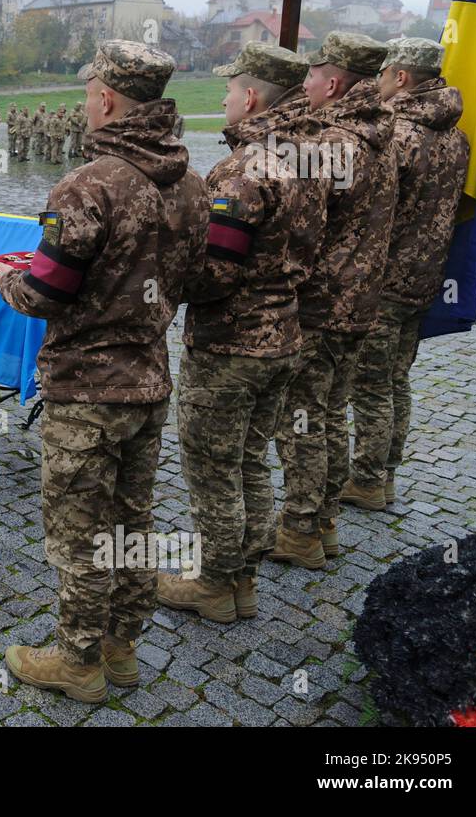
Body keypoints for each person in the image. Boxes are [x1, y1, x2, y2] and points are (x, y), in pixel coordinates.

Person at [0, 41, 207, 702]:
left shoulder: (88, 186)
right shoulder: (193, 184)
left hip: (88, 390)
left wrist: (8, 280)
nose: (87, 102)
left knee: (80, 532)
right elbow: (196, 278)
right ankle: (122, 646)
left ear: (108, 99)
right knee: (131, 520)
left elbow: (47, 293)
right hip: (148, 381)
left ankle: (78, 659)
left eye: (90, 92)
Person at [157, 43, 314, 623]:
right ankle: (242, 581)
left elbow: (217, 273)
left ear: (250, 98)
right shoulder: (304, 159)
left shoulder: (242, 170)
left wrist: (165, 276)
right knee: (251, 462)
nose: (222, 99)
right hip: (283, 338)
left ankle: (215, 586)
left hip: (231, 346)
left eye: (228, 90)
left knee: (215, 468)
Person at [269, 31, 397, 568]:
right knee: (327, 415)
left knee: (300, 420)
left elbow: (299, 232)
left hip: (320, 306)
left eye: (313, 75)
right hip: (361, 303)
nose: (306, 83)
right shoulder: (380, 135)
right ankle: (323, 521)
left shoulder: (330, 147)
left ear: (336, 81)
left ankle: (299, 529)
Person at [343, 38, 470, 512]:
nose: (376, 83)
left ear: (400, 78)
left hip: (382, 277)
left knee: (371, 384)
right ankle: (385, 476)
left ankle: (369, 480)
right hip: (423, 276)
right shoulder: (457, 137)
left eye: (381, 74)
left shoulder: (397, 133)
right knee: (396, 379)